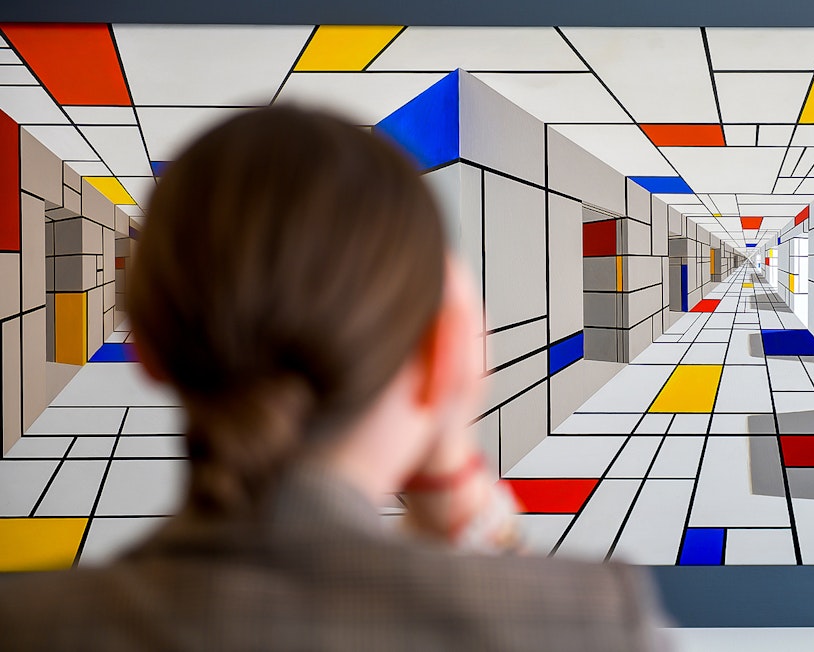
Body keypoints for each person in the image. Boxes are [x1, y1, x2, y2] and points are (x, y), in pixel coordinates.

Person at [0, 106, 671, 650]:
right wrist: (460, 500)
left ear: (145, 346)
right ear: (446, 353)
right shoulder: (588, 624)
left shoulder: (24, 624)